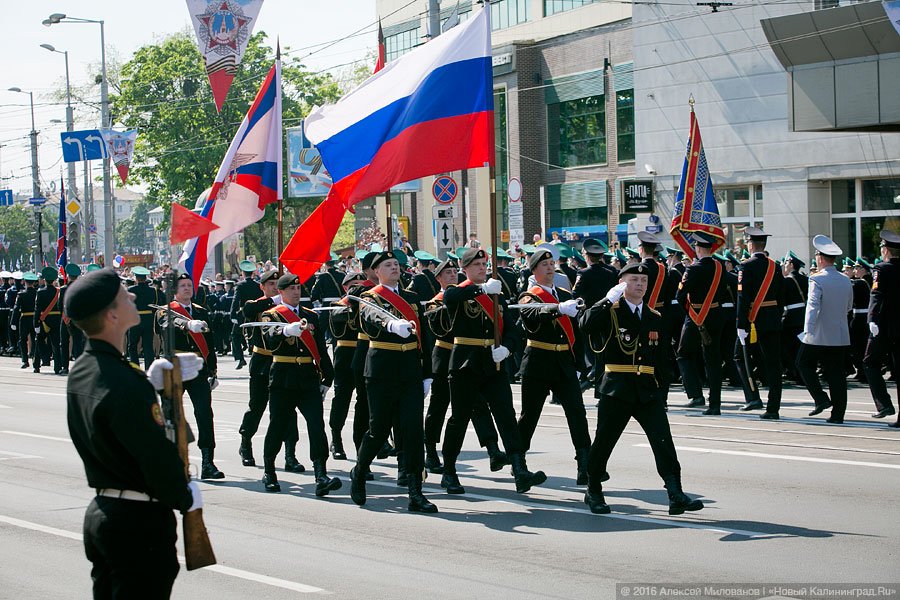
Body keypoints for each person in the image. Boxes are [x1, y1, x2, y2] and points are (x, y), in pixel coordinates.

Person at [65, 267, 203, 599]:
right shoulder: (125, 382)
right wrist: (185, 497)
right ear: (112, 315)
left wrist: (151, 388)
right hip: (138, 523)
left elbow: (116, 430)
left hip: (104, 512)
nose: (132, 296)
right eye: (123, 295)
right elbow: (153, 454)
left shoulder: (84, 371)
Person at [579, 263, 704, 516]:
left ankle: (675, 492)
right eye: (633, 280)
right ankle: (593, 489)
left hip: (647, 390)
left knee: (663, 441)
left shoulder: (653, 317)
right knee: (604, 442)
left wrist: (663, 393)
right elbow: (586, 325)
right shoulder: (611, 311)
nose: (639, 284)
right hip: (616, 388)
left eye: (643, 281)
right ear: (621, 283)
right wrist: (606, 299)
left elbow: (661, 361)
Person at [439, 248, 547, 496]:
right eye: (476, 264)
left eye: (484, 263)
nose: (481, 267)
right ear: (464, 268)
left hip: (493, 364)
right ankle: (449, 471)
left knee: (506, 416)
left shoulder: (496, 294)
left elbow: (512, 331)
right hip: (466, 363)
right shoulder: (460, 291)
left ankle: (520, 470)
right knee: (459, 419)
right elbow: (451, 299)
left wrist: (507, 348)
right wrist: (481, 290)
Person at [349, 251, 437, 513]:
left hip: (409, 368)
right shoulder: (369, 298)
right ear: (376, 271)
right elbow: (371, 318)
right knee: (378, 428)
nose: (394, 268)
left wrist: (427, 373)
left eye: (396, 264)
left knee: (412, 431)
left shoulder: (411, 298)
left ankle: (415, 492)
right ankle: (360, 470)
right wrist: (391, 325)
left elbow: (426, 336)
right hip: (382, 369)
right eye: (388, 265)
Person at [258, 273, 341, 496]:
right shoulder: (271, 315)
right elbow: (268, 336)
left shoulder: (309, 316)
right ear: (281, 292)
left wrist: (327, 377)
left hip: (307, 377)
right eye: (291, 289)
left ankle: (320, 474)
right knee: (278, 425)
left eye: (299, 289)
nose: (296, 292)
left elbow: (321, 349)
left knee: (316, 425)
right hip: (283, 377)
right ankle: (269, 471)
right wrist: (285, 330)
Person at [516, 246, 591, 484]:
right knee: (529, 416)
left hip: (563, 363)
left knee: (577, 413)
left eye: (552, 265)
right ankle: (519, 464)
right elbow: (532, 314)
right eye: (544, 265)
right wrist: (557, 309)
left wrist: (579, 364)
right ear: (535, 270)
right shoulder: (529, 296)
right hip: (538, 362)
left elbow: (576, 333)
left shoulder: (563, 293)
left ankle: (585, 465)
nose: (550, 269)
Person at [154, 273, 223, 479]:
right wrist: (187, 325)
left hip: (198, 367)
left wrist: (212, 370)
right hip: (175, 366)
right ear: (174, 290)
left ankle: (208, 461)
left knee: (204, 413)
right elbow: (166, 325)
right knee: (171, 415)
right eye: (182, 286)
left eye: (189, 285)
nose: (187, 289)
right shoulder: (165, 311)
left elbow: (209, 343)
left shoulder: (201, 311)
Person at [238, 269, 305, 472]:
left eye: (278, 285)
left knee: (287, 410)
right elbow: (248, 312)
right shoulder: (258, 304)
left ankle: (290, 454)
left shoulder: (289, 307)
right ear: (262, 287)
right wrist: (273, 300)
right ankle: (246, 442)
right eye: (271, 285)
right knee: (257, 407)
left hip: (284, 364)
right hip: (263, 361)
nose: (276, 288)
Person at [796, 235, 854, 424]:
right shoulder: (845, 279)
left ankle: (820, 398)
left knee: (803, 363)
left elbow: (812, 306)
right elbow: (848, 306)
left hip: (818, 334)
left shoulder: (817, 279)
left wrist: (808, 331)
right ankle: (838, 414)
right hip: (839, 333)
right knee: (836, 374)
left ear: (820, 258)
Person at [734, 227, 785, 419]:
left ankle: (753, 397)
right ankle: (773, 408)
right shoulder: (775, 266)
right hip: (772, 318)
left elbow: (743, 298)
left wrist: (741, 324)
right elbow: (781, 296)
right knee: (773, 365)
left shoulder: (746, 266)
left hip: (753, 320)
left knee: (742, 358)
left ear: (750, 244)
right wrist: (775, 314)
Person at [676, 232, 728, 415]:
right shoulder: (720, 266)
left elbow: (680, 295)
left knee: (683, 354)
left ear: (697, 248)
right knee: (713, 360)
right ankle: (715, 404)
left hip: (696, 315)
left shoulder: (693, 269)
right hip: (716, 315)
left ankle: (695, 394)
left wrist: (690, 313)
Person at [863, 230, 900, 426]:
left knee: (870, 362)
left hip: (884, 327)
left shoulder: (882, 268)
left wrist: (872, 319)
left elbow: (876, 295)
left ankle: (884, 404)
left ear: (885, 250)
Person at [126, 266, 163, 370]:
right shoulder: (153, 291)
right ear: (145, 278)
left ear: (136, 278)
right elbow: (156, 305)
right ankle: (149, 368)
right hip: (148, 320)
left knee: (132, 346)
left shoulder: (130, 290)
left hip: (135, 320)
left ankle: (135, 368)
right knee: (148, 346)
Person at [781, 252, 808, 383]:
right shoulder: (805, 279)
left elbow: (782, 300)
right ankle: (802, 373)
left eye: (786, 263)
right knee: (800, 347)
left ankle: (795, 373)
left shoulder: (786, 280)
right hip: (804, 316)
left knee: (788, 347)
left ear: (791, 265)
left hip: (791, 318)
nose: (784, 266)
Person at [34, 266, 64, 374]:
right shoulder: (59, 291)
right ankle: (58, 367)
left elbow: (37, 309)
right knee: (56, 344)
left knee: (39, 341)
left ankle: (37, 365)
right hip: (56, 319)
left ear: (44, 280)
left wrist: (36, 323)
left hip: (44, 320)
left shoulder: (40, 292)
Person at [11, 271, 39, 370]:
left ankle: (25, 360)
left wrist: (13, 322)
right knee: (35, 341)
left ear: (25, 282)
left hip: (24, 319)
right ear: (34, 282)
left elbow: (16, 308)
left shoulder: (21, 294)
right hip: (35, 319)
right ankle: (36, 364)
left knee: (22, 340)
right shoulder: (37, 293)